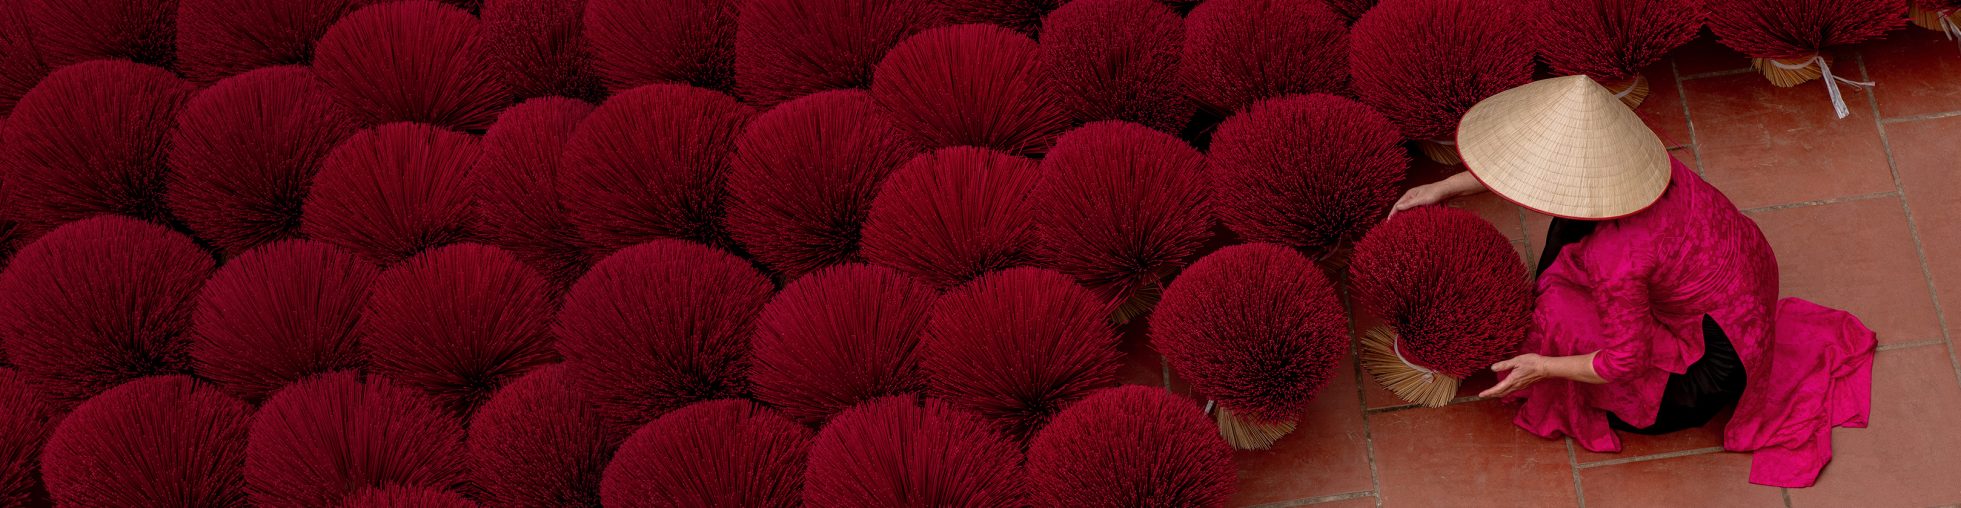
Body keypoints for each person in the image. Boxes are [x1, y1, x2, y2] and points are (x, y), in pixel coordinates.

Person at [1389, 75, 1875, 488]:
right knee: (1565, 241)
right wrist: (1441, 187)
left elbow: (1624, 361)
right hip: (1740, 280)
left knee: (1553, 318)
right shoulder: (1636, 156)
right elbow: (1532, 168)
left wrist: (1545, 367)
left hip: (1710, 365)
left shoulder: (1617, 257)